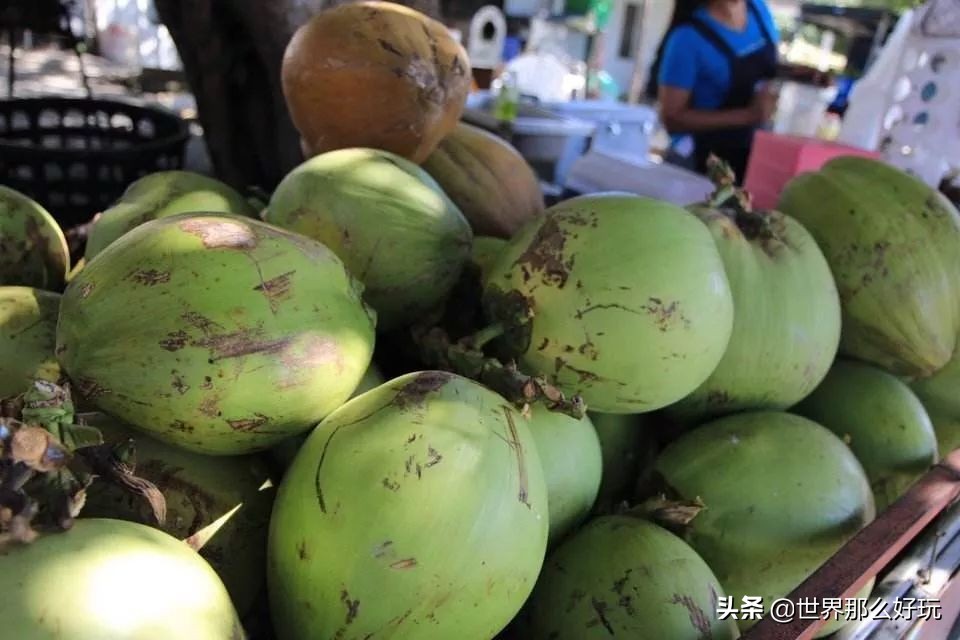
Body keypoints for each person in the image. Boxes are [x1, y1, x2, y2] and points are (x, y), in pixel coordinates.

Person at [650, 0, 781, 181]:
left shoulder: (758, 9)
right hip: (700, 162)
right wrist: (748, 116)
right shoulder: (686, 38)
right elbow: (671, 117)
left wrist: (802, 75)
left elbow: (768, 69)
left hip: (749, 156)